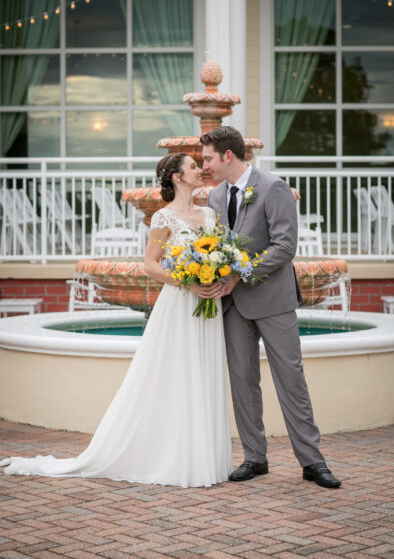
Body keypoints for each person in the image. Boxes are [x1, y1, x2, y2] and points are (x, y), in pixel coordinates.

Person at [0, 153, 233, 488]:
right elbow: (151, 264)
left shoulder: (210, 213)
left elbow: (219, 251)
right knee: (177, 373)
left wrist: (216, 274)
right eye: (193, 167)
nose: (200, 171)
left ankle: (205, 458)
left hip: (207, 305)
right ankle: (178, 457)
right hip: (180, 303)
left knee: (205, 370)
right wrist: (189, 282)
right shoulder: (163, 217)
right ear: (178, 178)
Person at [201, 126, 341, 489]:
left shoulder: (273, 187)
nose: (205, 166)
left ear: (227, 155)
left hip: (273, 301)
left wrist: (238, 274)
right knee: (243, 383)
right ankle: (254, 457)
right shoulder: (215, 197)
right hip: (232, 306)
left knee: (291, 381)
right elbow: (217, 246)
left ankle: (312, 462)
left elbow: (284, 246)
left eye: (208, 158)